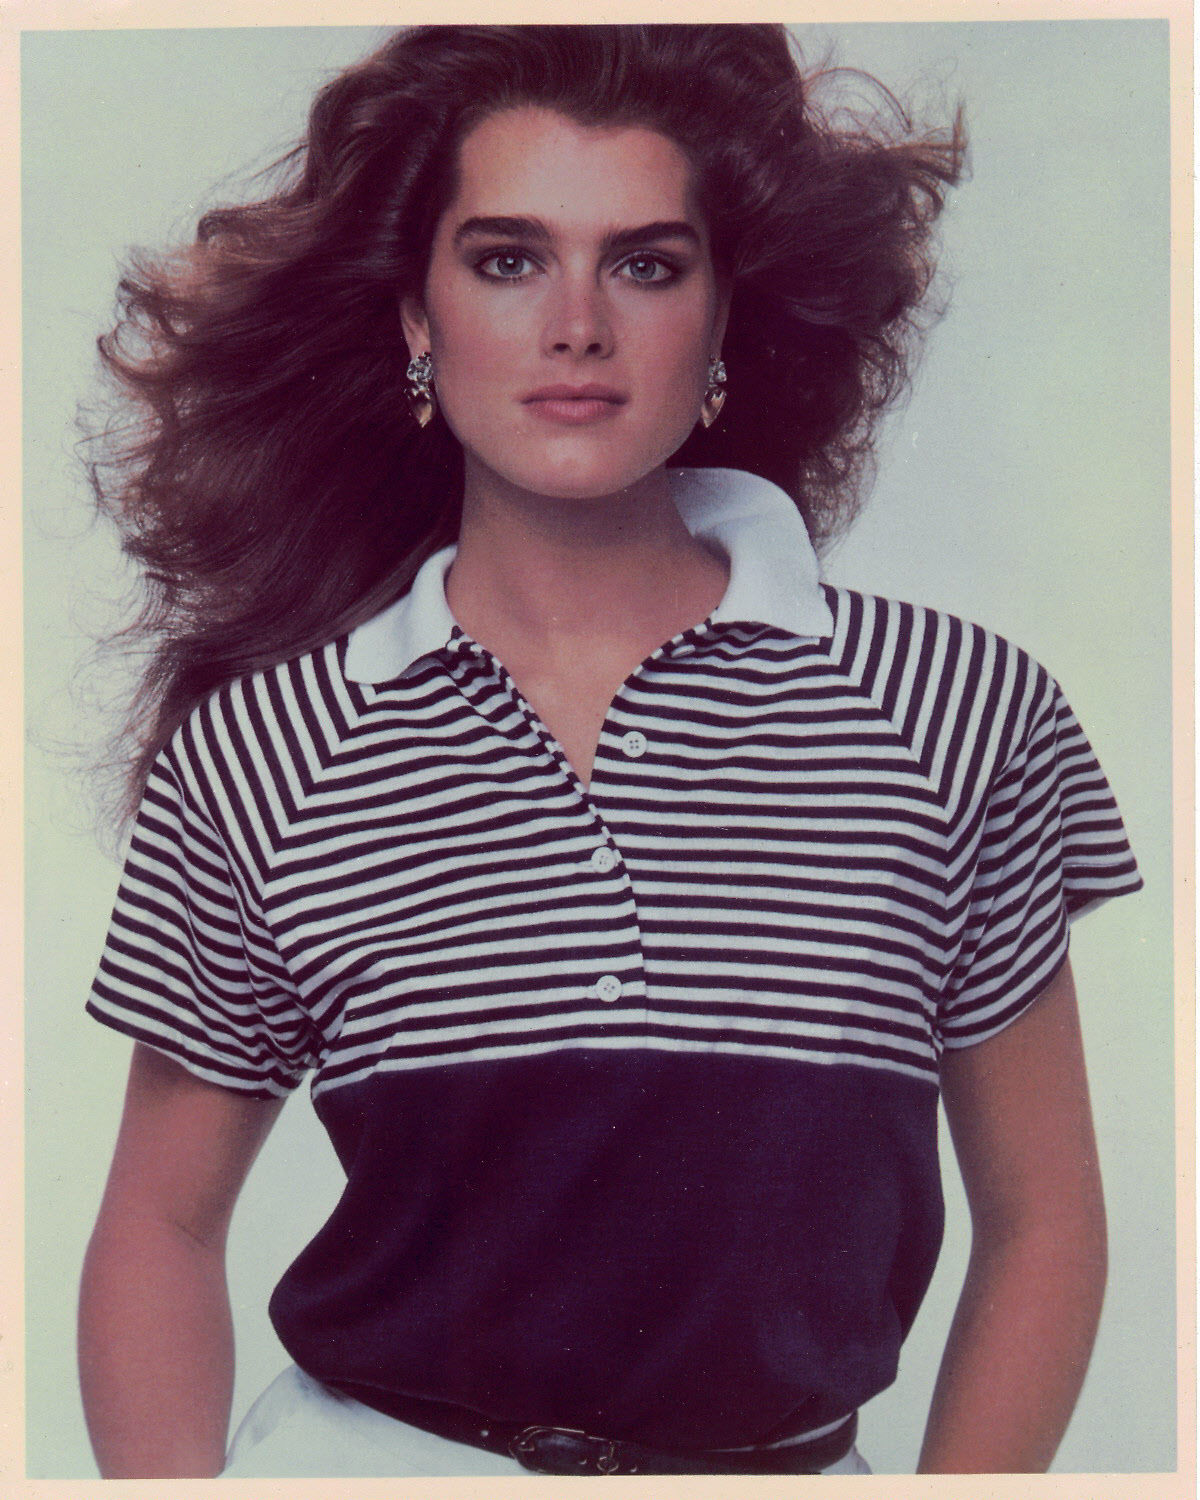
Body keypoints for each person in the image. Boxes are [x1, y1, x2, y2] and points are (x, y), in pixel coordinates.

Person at [75, 23, 1142, 1479]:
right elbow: (157, 1223)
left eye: (646, 264)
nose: (576, 324)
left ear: (724, 318)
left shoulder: (956, 711)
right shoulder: (270, 749)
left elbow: (1046, 1220)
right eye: (508, 260)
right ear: (417, 319)